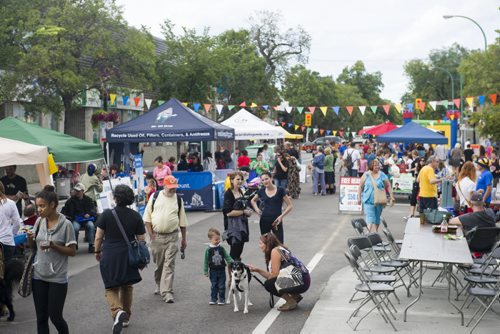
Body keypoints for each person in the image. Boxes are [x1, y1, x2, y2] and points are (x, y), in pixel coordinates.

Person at [94, 185, 146, 332]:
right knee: (127, 286)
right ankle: (126, 317)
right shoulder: (135, 216)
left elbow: (98, 237)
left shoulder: (106, 214)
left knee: (111, 287)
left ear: (115, 197)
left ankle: (117, 311)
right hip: (129, 255)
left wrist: (97, 251)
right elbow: (141, 240)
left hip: (110, 253)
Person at [28, 185, 76, 334]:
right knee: (41, 318)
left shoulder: (66, 225)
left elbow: (72, 251)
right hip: (39, 275)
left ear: (53, 205)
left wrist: (53, 245)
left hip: (57, 278)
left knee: (55, 317)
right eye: (37, 206)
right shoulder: (39, 222)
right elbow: (33, 247)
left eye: (42, 206)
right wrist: (31, 239)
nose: (39, 210)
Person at [143, 175, 187, 303]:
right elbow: (147, 218)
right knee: (160, 264)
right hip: (157, 237)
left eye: (174, 188)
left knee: (169, 265)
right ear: (164, 186)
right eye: (170, 188)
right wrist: (151, 235)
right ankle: (159, 283)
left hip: (172, 236)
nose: (173, 190)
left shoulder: (178, 199)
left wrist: (184, 239)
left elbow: (183, 222)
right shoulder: (155, 197)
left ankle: (167, 292)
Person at [248, 232, 310, 312]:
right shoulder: (280, 248)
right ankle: (295, 296)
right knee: (272, 281)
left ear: (267, 244)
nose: (259, 246)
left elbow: (274, 275)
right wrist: (257, 270)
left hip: (301, 280)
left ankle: (290, 301)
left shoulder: (275, 251)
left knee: (269, 284)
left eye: (260, 243)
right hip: (304, 278)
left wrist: (268, 280)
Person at [251, 172, 293, 243]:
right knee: (266, 244)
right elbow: (253, 201)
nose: (265, 181)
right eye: (263, 180)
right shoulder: (261, 191)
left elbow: (290, 206)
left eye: (266, 179)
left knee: (279, 243)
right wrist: (257, 210)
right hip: (264, 220)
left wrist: (281, 216)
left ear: (271, 178)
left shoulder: (280, 190)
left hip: (276, 221)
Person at [357, 160, 394, 232]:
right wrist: (359, 197)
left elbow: (388, 185)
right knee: (370, 217)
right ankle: (368, 232)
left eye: (378, 165)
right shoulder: (366, 174)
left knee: (377, 218)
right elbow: (360, 186)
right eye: (375, 165)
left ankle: (375, 232)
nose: (377, 167)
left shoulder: (382, 175)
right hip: (368, 200)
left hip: (379, 200)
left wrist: (391, 196)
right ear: (371, 166)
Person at [222, 172, 252, 260]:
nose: (240, 181)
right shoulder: (228, 193)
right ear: (231, 180)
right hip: (233, 227)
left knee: (239, 252)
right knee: (234, 252)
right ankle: (232, 272)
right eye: (237, 179)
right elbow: (228, 213)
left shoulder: (240, 191)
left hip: (242, 225)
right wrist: (244, 212)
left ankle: (237, 271)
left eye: (241, 179)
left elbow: (244, 207)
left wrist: (248, 211)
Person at [61, 183, 97, 253]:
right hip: (76, 219)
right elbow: (64, 210)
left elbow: (93, 209)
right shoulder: (71, 201)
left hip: (86, 219)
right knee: (75, 228)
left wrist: (89, 214)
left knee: (91, 226)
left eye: (78, 191)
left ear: (83, 191)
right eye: (76, 191)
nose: (76, 192)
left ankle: (91, 244)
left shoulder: (88, 200)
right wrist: (65, 216)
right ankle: (74, 244)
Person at [203, 228, 233, 305]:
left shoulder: (221, 248)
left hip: (221, 270)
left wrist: (232, 262)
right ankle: (213, 298)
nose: (218, 241)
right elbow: (206, 261)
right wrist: (205, 271)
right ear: (210, 239)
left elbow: (227, 256)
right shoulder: (208, 250)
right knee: (214, 285)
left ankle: (222, 299)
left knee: (222, 285)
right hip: (213, 271)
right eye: (216, 239)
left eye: (219, 239)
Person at [0, 181, 22, 261]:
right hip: (7, 242)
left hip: (6, 241)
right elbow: (17, 223)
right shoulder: (10, 203)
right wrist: (11, 234)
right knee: (7, 268)